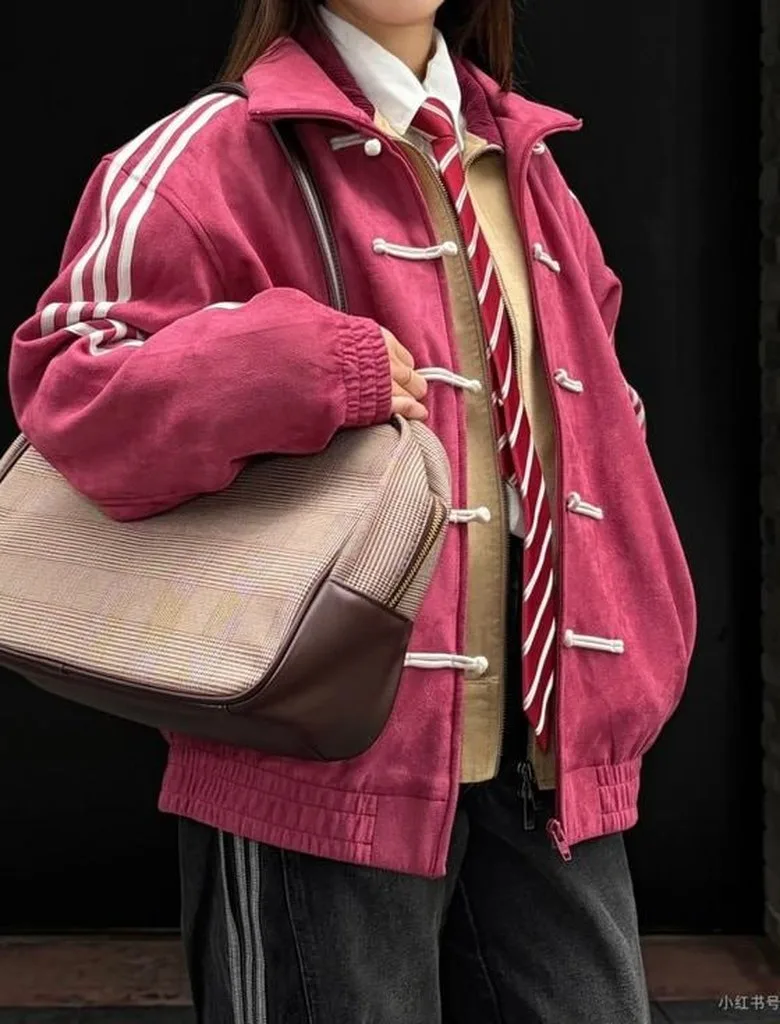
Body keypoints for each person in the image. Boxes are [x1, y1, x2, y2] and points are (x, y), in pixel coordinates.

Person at [9, 1, 697, 1021]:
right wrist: (300, 369)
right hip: (314, 758)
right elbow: (71, 384)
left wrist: (638, 637)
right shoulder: (209, 151)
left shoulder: (529, 165)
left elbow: (603, 418)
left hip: (553, 756)